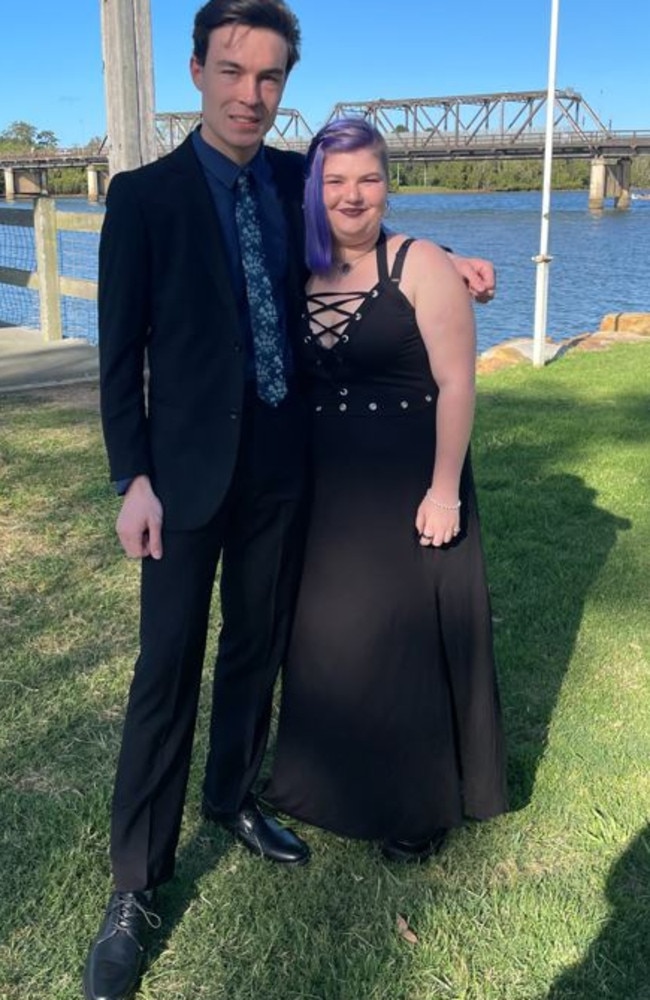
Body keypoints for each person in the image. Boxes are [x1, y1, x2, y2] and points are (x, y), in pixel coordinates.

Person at [83, 3, 497, 998]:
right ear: (196, 72)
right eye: (231, 71)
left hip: (279, 469)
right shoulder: (142, 199)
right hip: (180, 481)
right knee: (166, 669)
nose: (248, 94)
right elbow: (118, 355)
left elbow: (359, 224)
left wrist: (439, 259)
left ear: (282, 85)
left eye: (267, 78)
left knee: (254, 647)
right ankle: (136, 885)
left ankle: (231, 795)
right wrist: (129, 476)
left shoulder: (284, 176)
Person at [264, 118, 507, 861]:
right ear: (312, 190)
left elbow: (457, 384)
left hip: (412, 480)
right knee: (332, 639)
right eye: (335, 180)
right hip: (330, 489)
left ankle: (416, 805)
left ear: (388, 184)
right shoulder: (298, 267)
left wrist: (444, 492)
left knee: (405, 642)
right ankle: (324, 782)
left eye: (369, 178)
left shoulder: (419, 263)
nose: (353, 194)